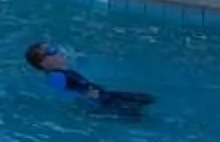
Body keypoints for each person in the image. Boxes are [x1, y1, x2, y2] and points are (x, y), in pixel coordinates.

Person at [24, 41, 152, 114]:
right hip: (101, 103)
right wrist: (90, 102)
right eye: (51, 51)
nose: (58, 51)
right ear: (44, 62)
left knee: (146, 99)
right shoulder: (56, 77)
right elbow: (64, 99)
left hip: (104, 97)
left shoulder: (61, 72)